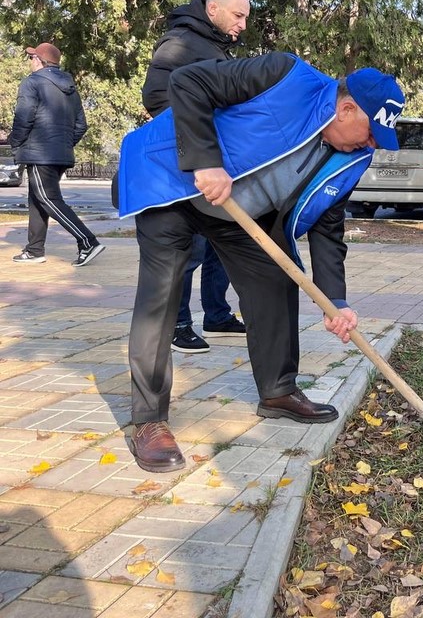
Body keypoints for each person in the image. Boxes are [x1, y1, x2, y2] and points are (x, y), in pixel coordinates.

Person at [117, 52, 404, 472]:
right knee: (162, 296)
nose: (372, 144)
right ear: (345, 108)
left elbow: (328, 229)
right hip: (172, 182)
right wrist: (205, 161)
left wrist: (336, 302)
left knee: (275, 278)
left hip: (237, 210)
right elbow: (188, 81)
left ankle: (278, 391)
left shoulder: (352, 156)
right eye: (371, 131)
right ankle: (148, 421)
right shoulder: (284, 77)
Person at [142, 0, 252, 354]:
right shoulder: (180, 42)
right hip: (190, 163)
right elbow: (156, 98)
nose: (243, 25)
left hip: (216, 160)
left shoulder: (213, 44)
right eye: (238, 16)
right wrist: (197, 144)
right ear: (214, 9)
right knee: (189, 248)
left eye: (246, 18)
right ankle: (178, 325)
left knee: (220, 241)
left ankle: (217, 314)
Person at [9, 42, 105, 267]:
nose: (30, 61)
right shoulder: (70, 88)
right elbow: (81, 125)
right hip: (59, 153)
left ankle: (87, 241)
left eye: (32, 58)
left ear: (39, 62)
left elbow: (24, 118)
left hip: (39, 153)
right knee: (37, 199)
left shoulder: (32, 83)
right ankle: (34, 250)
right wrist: (63, 144)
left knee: (47, 198)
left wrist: (15, 143)